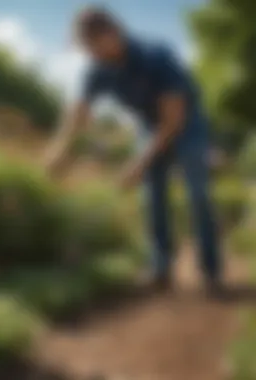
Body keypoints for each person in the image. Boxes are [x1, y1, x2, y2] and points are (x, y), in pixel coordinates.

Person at [44, 6, 221, 295]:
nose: (90, 54)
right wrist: (59, 152)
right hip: (150, 125)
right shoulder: (97, 69)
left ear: (113, 34)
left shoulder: (156, 57)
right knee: (152, 197)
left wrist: (138, 165)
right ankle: (161, 269)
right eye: (85, 48)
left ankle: (211, 271)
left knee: (197, 193)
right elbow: (78, 114)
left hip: (187, 124)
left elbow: (173, 120)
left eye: (92, 46)